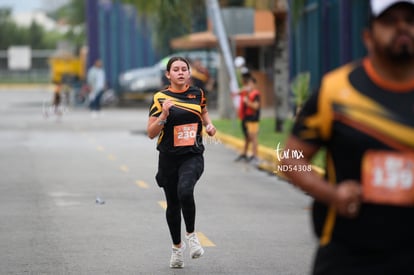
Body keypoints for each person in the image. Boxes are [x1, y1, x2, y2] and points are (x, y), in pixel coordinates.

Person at [281, 0, 414, 274]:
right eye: (390, 21)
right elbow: (291, 158)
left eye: (410, 21)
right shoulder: (336, 90)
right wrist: (332, 194)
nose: (402, 28)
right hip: (348, 256)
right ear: (368, 36)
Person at [147, 56, 216, 268]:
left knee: (185, 191)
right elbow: (151, 133)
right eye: (175, 69)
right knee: (173, 204)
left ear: (189, 73)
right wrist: (165, 114)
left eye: (184, 69)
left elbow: (203, 111)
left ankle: (192, 236)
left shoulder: (197, 93)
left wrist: (209, 125)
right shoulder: (160, 98)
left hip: (192, 155)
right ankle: (177, 249)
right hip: (168, 158)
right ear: (168, 75)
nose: (180, 72)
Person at [234, 73, 261, 165]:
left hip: (253, 119)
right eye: (248, 84)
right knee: (247, 137)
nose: (249, 86)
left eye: (250, 84)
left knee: (253, 137)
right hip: (246, 118)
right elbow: (236, 93)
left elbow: (256, 106)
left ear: (254, 84)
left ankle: (255, 156)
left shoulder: (255, 94)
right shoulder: (246, 93)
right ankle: (244, 154)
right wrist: (245, 89)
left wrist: (248, 102)